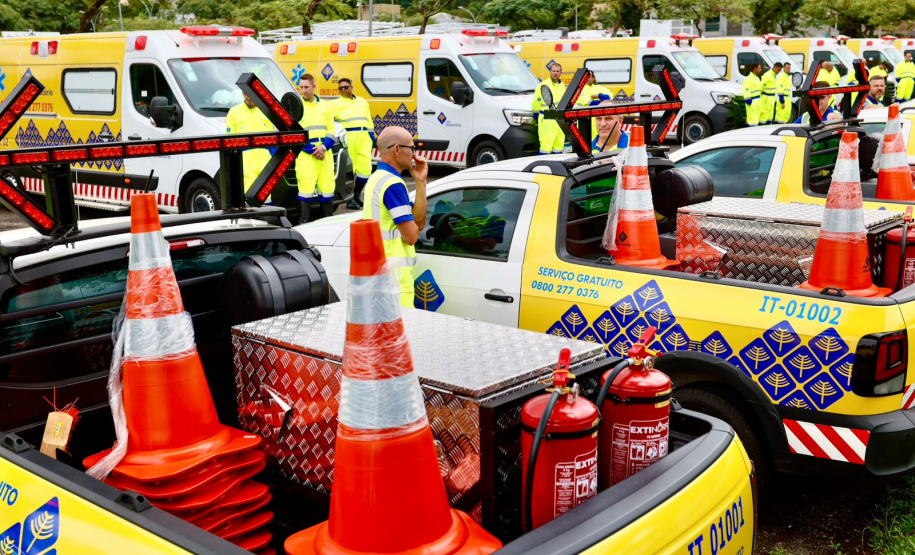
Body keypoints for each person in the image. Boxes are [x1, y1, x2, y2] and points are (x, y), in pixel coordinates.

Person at [364, 126, 428, 307]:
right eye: (412, 148)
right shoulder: (393, 184)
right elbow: (412, 236)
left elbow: (418, 224)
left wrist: (421, 182)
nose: (414, 154)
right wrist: (413, 228)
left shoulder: (377, 178)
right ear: (398, 149)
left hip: (381, 279)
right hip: (395, 284)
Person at [295, 73, 336, 224]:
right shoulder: (297, 106)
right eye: (301, 87)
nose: (303, 91)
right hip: (306, 154)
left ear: (314, 87)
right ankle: (303, 224)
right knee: (305, 190)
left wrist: (324, 147)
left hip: (325, 152)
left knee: (327, 189)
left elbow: (332, 129)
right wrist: (312, 149)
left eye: (306, 87)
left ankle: (328, 225)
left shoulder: (326, 105)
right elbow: (294, 132)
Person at [332, 77, 374, 210]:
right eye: (341, 88)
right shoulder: (334, 104)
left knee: (365, 170)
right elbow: (330, 122)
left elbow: (368, 119)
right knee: (348, 172)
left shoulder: (362, 102)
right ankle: (349, 200)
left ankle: (356, 195)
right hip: (348, 138)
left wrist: (371, 135)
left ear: (351, 87)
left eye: (346, 87)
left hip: (363, 138)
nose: (343, 90)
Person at [428, 189, 506, 257]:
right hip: (439, 259)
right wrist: (466, 202)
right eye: (479, 191)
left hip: (469, 265)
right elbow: (438, 223)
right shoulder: (446, 204)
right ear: (465, 190)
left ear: (493, 199)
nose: (482, 194)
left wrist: (450, 237)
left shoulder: (495, 221)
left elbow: (485, 248)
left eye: (489, 192)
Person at [225, 93, 274, 195]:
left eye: (251, 93)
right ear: (242, 93)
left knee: (266, 197)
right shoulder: (234, 112)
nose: (248, 97)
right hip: (244, 161)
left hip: (264, 160)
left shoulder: (267, 111)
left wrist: (272, 158)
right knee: (247, 196)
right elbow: (230, 141)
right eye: (245, 94)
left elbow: (273, 139)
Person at [533, 63, 567, 155]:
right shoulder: (543, 85)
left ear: (561, 73)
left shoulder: (562, 86)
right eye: (553, 71)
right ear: (550, 71)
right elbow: (537, 101)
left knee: (559, 145)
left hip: (559, 119)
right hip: (547, 119)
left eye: (557, 71)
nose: (555, 73)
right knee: (546, 147)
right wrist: (536, 114)